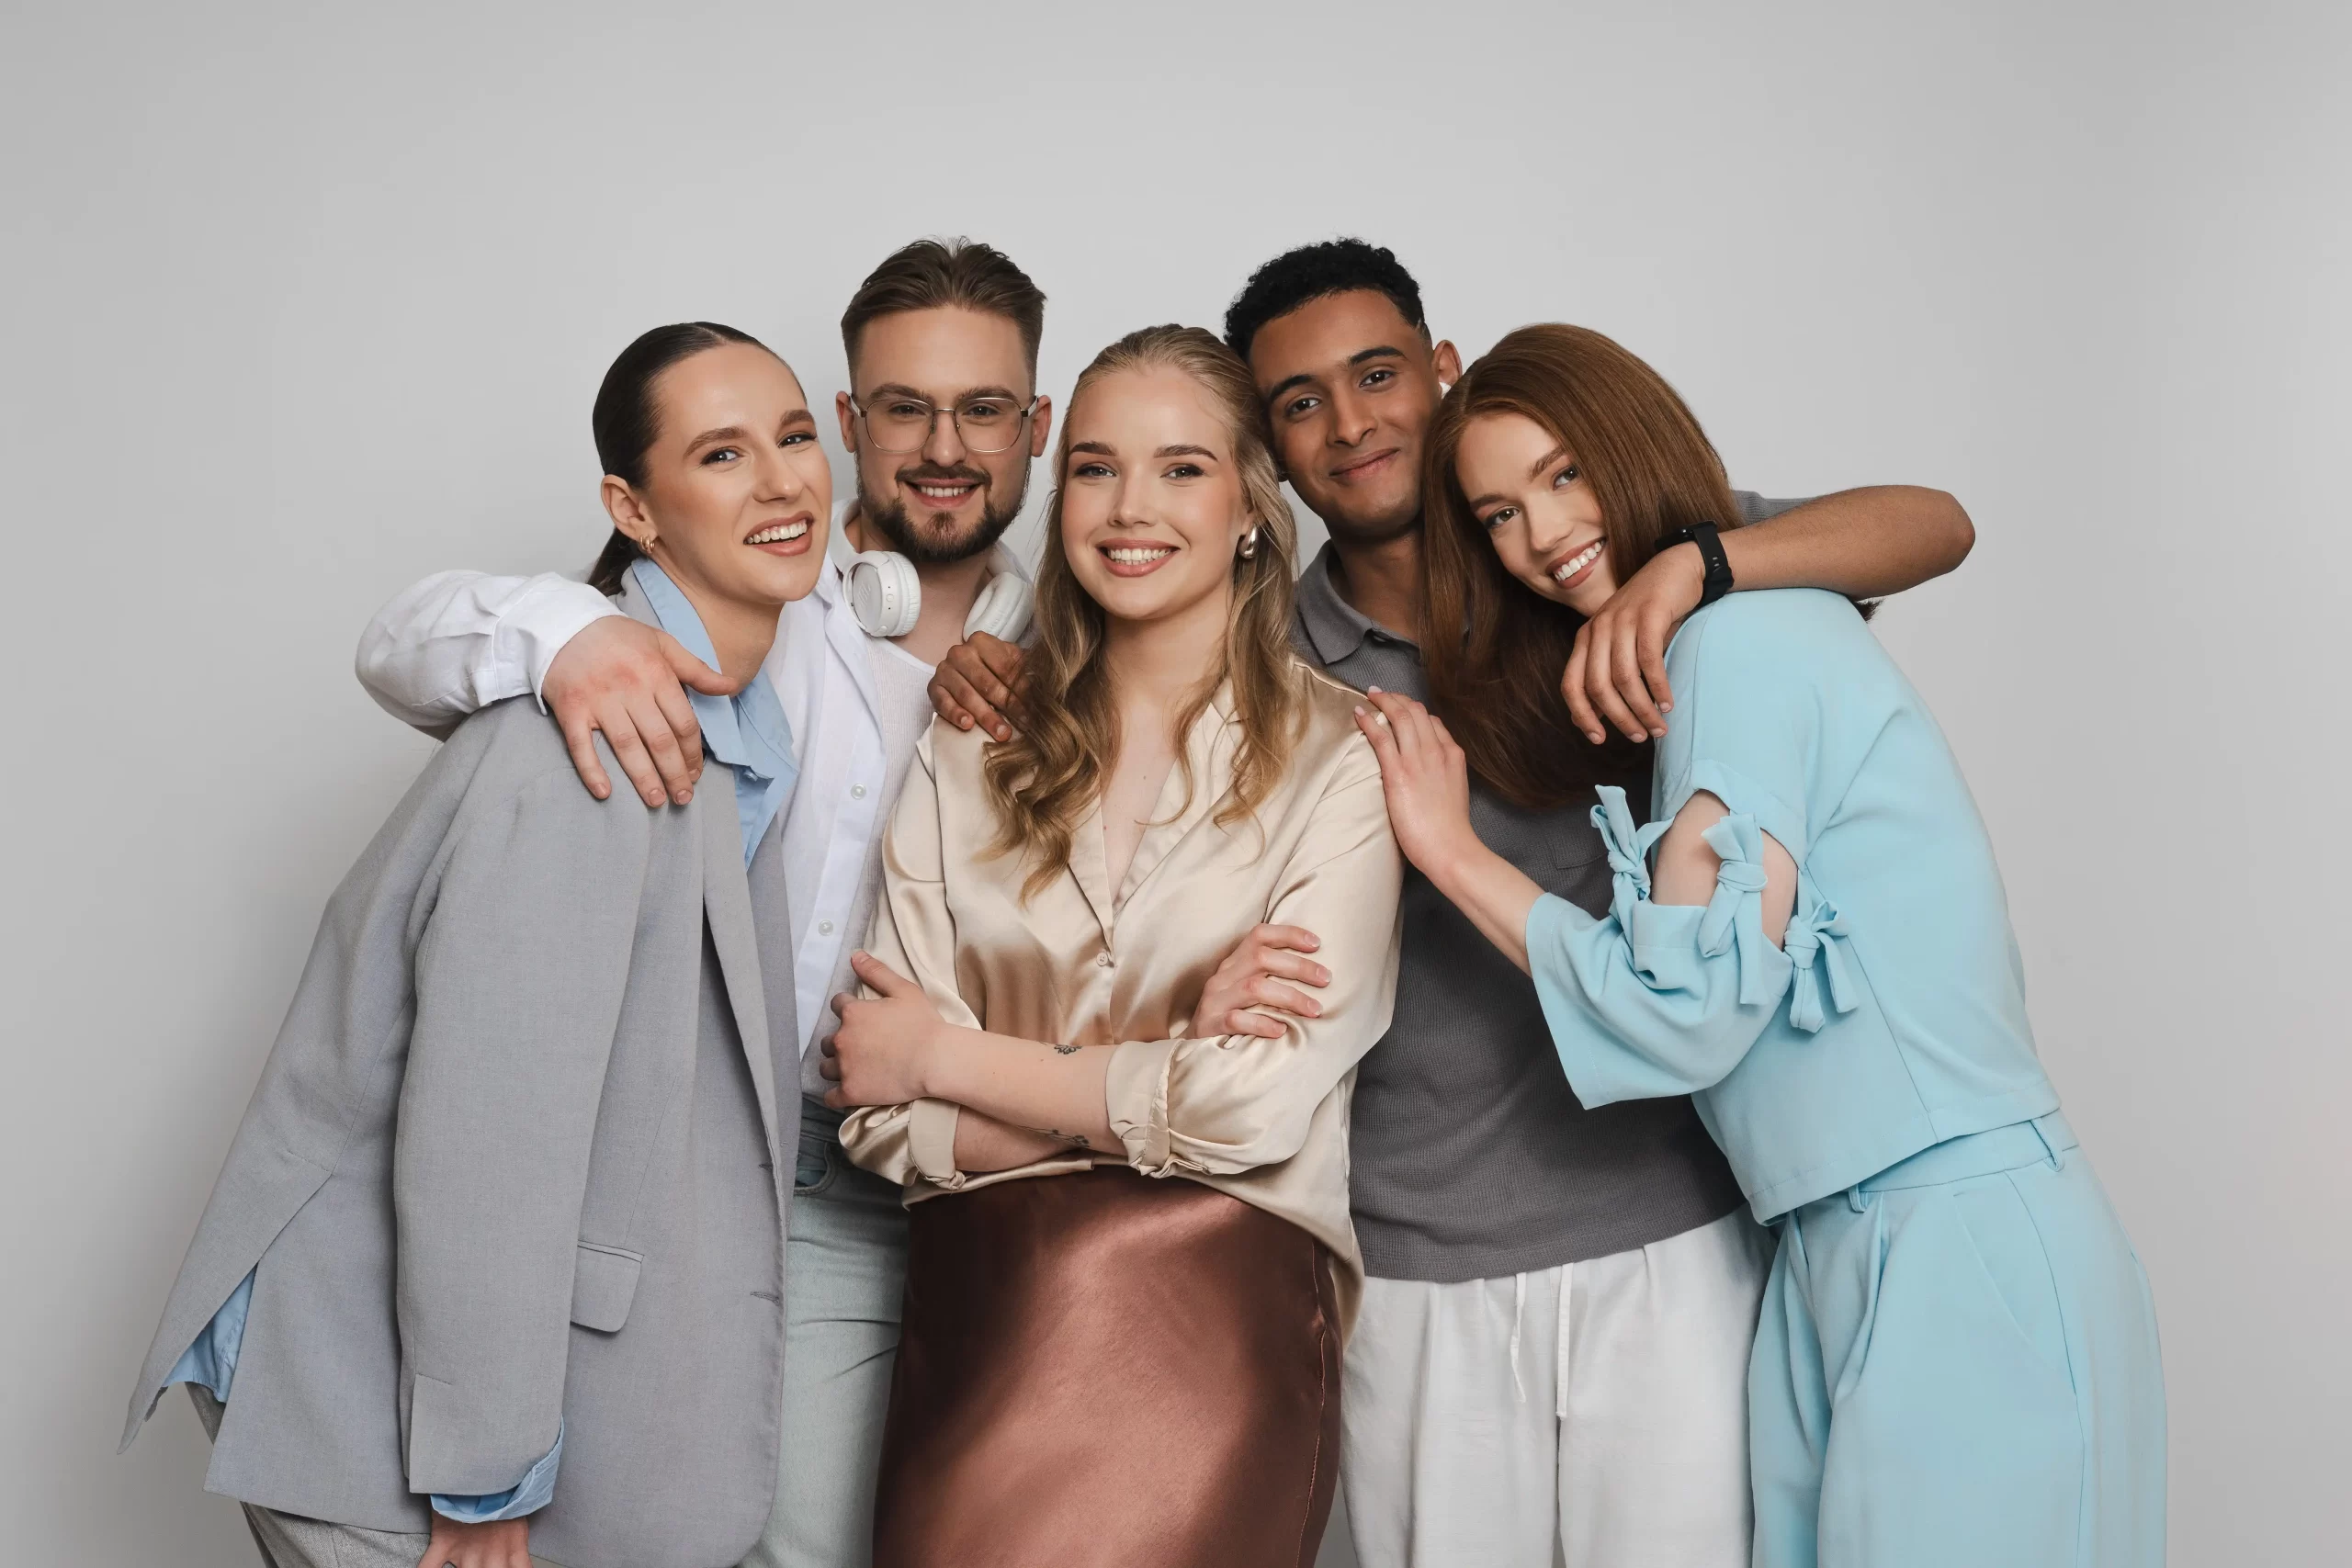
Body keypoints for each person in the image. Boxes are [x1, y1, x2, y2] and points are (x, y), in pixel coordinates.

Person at [928, 240, 1979, 1568]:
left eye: (1377, 375)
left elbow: (1934, 520)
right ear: (1268, 451)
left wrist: (1691, 569)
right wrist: (989, 656)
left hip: (1671, 1234)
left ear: (1443, 372)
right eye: (1299, 401)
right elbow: (1108, 761)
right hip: (1410, 1267)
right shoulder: (1265, 656)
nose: (1351, 421)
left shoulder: (1585, 560)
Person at [1353, 321, 2165, 1568]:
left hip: (1954, 1236)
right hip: (1818, 1248)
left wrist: (1453, 852)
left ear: (1630, 450)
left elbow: (1688, 1011)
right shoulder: (1694, 658)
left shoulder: (1741, 640)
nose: (1542, 535)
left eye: (1564, 474)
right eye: (1499, 513)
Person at [120, 322, 832, 1568]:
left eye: (794, 436)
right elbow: (489, 1136)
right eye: (723, 453)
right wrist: (484, 1478)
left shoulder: (727, 723)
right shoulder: (594, 738)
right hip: (381, 1422)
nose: (782, 481)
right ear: (637, 508)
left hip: (481, 1401)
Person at [820, 323, 1402, 1567]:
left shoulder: (1344, 758)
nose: (1131, 506)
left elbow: (1254, 1111)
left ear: (1252, 501)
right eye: (1094, 466)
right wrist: (1169, 1053)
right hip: (976, 1343)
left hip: (1210, 1345)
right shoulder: (969, 741)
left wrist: (954, 1058)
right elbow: (872, 1105)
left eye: (1182, 468)